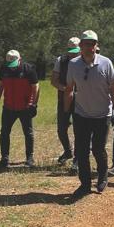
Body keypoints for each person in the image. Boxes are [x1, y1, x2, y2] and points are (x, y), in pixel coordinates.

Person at [63, 30, 114, 197]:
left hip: (103, 114)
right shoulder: (73, 64)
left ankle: (102, 176)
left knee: (98, 148)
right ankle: (85, 183)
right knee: (81, 151)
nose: (89, 47)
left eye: (92, 44)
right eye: (86, 44)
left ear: (97, 46)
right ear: (81, 46)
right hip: (81, 113)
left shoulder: (106, 63)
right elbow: (69, 89)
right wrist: (66, 112)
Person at [0, 50, 39, 168]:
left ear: (20, 59)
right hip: (8, 107)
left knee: (28, 133)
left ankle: (29, 158)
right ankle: (4, 158)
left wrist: (34, 104)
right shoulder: (4, 69)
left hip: (25, 107)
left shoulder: (28, 69)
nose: (11, 68)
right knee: (4, 132)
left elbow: (36, 87)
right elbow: (0, 85)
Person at [50, 37, 81, 170]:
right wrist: (65, 89)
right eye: (71, 51)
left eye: (76, 51)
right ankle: (68, 151)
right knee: (61, 129)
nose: (73, 54)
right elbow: (54, 80)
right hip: (63, 98)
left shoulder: (85, 61)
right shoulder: (60, 61)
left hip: (81, 100)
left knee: (79, 130)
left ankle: (78, 159)